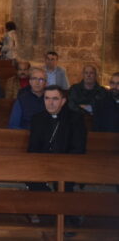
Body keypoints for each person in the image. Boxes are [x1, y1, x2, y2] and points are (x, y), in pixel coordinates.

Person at [27, 85, 87, 228]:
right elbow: (33, 149)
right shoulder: (38, 118)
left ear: (63, 101)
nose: (50, 103)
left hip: (68, 166)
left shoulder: (75, 119)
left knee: (64, 185)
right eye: (47, 98)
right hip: (42, 166)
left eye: (55, 99)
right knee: (34, 182)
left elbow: (78, 149)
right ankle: (61, 217)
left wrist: (59, 166)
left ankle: (66, 222)